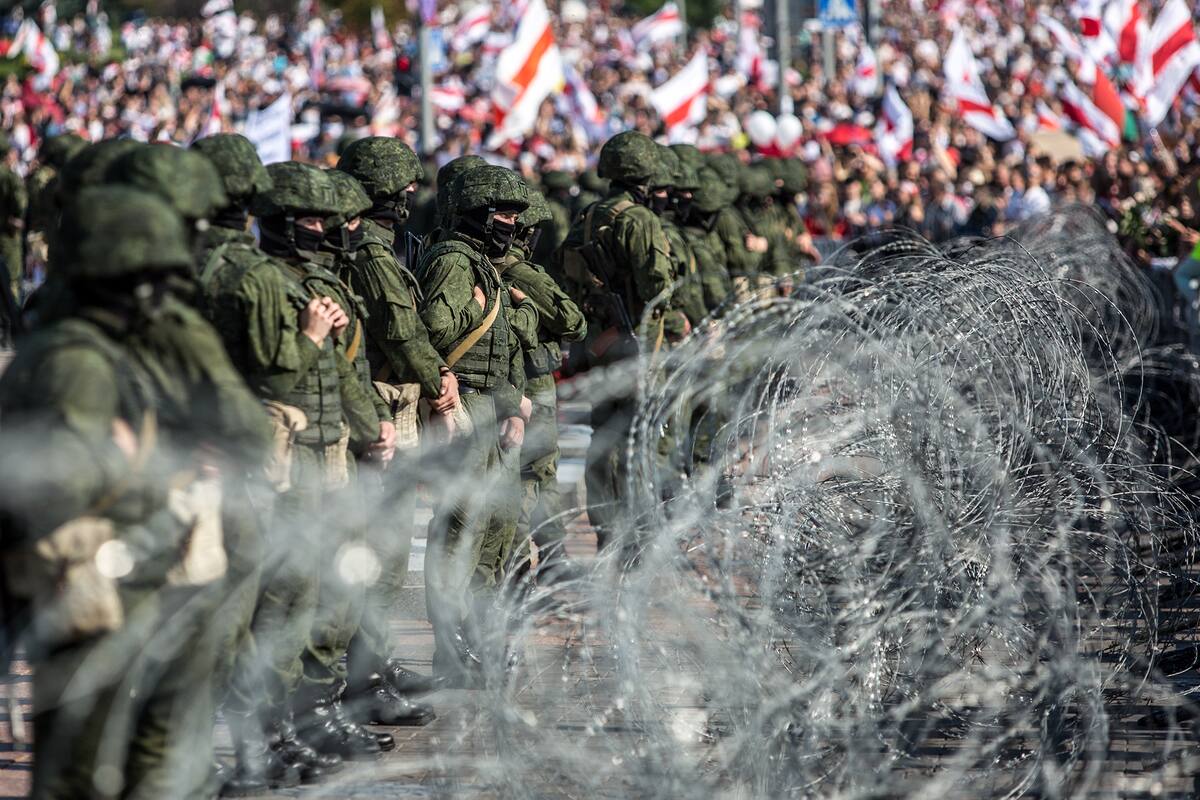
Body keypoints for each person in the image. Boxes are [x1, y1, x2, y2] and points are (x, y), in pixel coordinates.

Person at [0, 186, 228, 799]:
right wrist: (127, 456)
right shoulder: (78, 360)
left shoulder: (93, 347)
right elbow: (53, 482)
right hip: (81, 584)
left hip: (113, 578)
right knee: (79, 765)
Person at [335, 136, 453, 702]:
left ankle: (374, 664)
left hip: (380, 408)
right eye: (404, 186)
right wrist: (441, 385)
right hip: (384, 410)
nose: (411, 195)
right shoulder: (374, 255)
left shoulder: (363, 246)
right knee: (380, 553)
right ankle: (365, 678)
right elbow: (404, 335)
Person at [415, 164, 537, 686]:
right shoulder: (454, 262)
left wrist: (512, 406)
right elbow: (437, 329)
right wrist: (477, 308)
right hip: (465, 412)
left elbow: (501, 352)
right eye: (503, 213)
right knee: (460, 529)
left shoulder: (481, 263)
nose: (511, 223)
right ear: (477, 215)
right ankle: (451, 648)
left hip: (491, 410)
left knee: (493, 530)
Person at [554, 130, 683, 550]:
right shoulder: (641, 221)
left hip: (599, 344)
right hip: (635, 344)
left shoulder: (589, 215)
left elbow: (568, 278)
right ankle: (634, 530)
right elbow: (657, 289)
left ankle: (607, 524)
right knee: (636, 439)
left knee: (601, 436)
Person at [493, 189, 587, 581]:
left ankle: (545, 558)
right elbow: (572, 321)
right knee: (537, 474)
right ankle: (540, 561)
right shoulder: (520, 272)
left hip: (503, 384)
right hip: (530, 382)